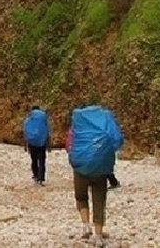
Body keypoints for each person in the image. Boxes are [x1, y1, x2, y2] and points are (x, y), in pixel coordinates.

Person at [66, 105, 124, 247]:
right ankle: (98, 236)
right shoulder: (106, 118)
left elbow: (69, 145)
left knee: (81, 197)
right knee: (99, 200)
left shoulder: (77, 123)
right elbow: (117, 139)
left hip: (80, 166)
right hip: (100, 168)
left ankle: (86, 225)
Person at [23, 105, 50, 185]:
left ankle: (35, 175)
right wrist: (49, 145)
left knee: (34, 160)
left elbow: (25, 133)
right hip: (42, 143)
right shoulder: (43, 119)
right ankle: (41, 178)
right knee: (42, 161)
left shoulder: (28, 120)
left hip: (32, 143)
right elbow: (47, 131)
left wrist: (25, 145)